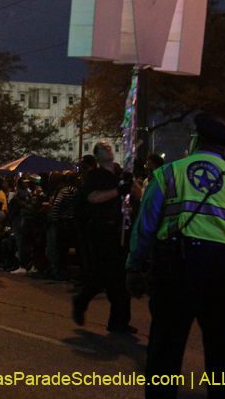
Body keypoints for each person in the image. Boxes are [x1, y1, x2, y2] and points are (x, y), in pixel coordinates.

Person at [126, 113, 225, 399]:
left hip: (180, 264)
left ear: (196, 139)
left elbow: (146, 224)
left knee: (166, 348)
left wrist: (134, 265)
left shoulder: (169, 173)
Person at [72, 140, 135, 334]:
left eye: (110, 147)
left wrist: (132, 183)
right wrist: (118, 190)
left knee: (120, 277)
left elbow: (138, 194)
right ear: (97, 156)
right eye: (103, 148)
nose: (108, 149)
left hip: (120, 231)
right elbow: (93, 198)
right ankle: (82, 300)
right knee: (104, 274)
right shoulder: (95, 175)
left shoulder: (118, 175)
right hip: (101, 230)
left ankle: (119, 321)